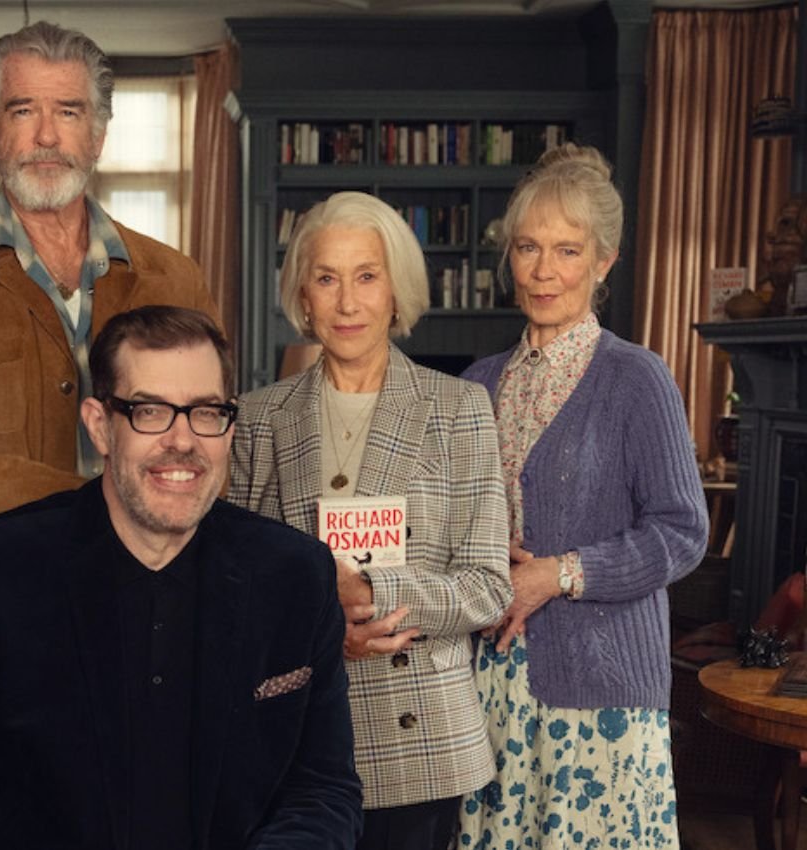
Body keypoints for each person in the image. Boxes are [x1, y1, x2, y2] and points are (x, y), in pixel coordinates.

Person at [0, 305, 362, 849]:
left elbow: (322, 790)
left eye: (206, 412)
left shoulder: (294, 574)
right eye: (150, 411)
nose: (183, 441)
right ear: (100, 426)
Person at [0, 21, 219, 613]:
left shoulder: (175, 279)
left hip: (155, 599)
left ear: (98, 136)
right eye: (22, 111)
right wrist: (105, 509)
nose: (46, 136)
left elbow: (209, 440)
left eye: (69, 112)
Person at [227, 191, 512, 850]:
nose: (347, 302)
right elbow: (233, 580)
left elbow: (489, 586)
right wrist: (325, 628)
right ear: (303, 296)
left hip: (421, 740)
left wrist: (372, 595)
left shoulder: (460, 408)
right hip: (294, 728)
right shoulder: (259, 417)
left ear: (396, 292)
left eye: (366, 276)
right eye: (326, 279)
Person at [456, 144, 709, 849]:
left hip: (601, 697)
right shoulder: (476, 384)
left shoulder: (636, 378)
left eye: (567, 251)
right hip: (488, 685)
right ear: (509, 258)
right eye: (528, 248)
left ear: (603, 262)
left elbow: (682, 530)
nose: (544, 270)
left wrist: (559, 574)